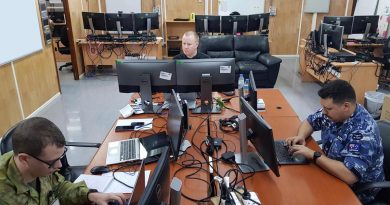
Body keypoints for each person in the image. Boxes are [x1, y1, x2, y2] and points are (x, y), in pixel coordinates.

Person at [286, 79, 384, 203]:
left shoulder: (363, 131)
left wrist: (313, 155)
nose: (323, 112)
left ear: (346, 106)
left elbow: (349, 176)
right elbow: (309, 121)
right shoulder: (331, 112)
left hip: (356, 191)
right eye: (323, 107)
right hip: (331, 171)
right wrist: (301, 136)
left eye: (328, 108)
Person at [0, 117, 126, 205]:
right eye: (52, 162)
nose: (60, 166)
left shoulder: (39, 167)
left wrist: (90, 195)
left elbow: (59, 188)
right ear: (24, 159)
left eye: (61, 157)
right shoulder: (3, 192)